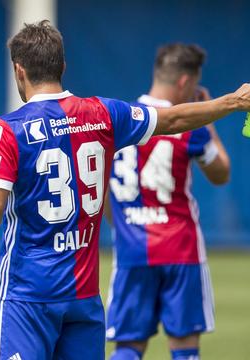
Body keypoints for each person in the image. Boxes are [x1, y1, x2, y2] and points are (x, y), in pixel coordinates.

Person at [0, 20, 250, 360]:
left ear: (18, 70)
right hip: (84, 295)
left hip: (28, 294)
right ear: (63, 66)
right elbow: (172, 120)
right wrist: (232, 102)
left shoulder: (8, 130)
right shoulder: (103, 114)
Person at [105, 44, 230, 360]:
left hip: (131, 248)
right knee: (185, 347)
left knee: (128, 347)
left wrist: (123, 222)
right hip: (181, 250)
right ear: (185, 83)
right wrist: (208, 119)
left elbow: (102, 191)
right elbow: (220, 173)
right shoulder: (191, 126)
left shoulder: (120, 119)